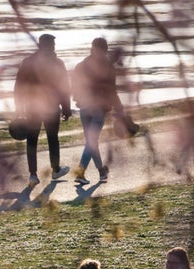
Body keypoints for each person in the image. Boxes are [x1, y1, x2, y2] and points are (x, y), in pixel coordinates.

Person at [14, 33, 72, 185]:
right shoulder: (58, 63)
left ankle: (33, 174)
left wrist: (19, 108)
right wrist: (66, 108)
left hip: (32, 106)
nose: (53, 47)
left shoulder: (28, 62)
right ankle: (56, 170)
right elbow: (64, 88)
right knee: (53, 138)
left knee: (32, 140)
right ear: (50, 46)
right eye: (52, 44)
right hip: (51, 106)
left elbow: (19, 86)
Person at [71, 37, 125, 185]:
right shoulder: (108, 68)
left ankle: (101, 171)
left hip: (84, 107)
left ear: (92, 48)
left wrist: (78, 99)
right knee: (92, 141)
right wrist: (119, 108)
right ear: (106, 50)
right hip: (98, 109)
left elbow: (74, 86)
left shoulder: (80, 66)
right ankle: (80, 173)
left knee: (91, 141)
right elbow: (112, 92)